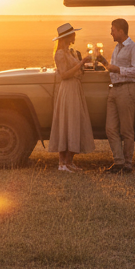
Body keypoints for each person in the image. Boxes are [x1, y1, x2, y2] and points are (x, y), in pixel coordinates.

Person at [48, 22, 95, 172]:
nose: (75, 36)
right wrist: (80, 63)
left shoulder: (70, 52)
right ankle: (62, 163)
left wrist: (82, 65)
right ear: (67, 36)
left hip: (75, 88)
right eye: (73, 34)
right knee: (67, 123)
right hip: (68, 89)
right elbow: (64, 75)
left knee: (74, 123)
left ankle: (69, 162)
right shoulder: (60, 53)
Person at [104, 18, 135, 173]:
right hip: (114, 89)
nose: (111, 32)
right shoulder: (117, 48)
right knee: (110, 128)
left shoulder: (134, 48)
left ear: (121, 31)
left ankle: (127, 163)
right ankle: (119, 161)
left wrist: (117, 70)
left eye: (112, 29)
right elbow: (114, 68)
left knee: (126, 130)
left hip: (126, 89)